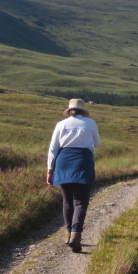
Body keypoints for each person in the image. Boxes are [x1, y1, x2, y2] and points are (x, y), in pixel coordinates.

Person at [47, 98, 101, 253]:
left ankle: (68, 232)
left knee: (67, 201)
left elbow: (53, 149)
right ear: (83, 111)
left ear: (69, 111)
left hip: (63, 161)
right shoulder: (90, 123)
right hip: (83, 162)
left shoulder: (60, 124)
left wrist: (50, 170)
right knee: (80, 202)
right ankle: (76, 235)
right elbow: (97, 143)